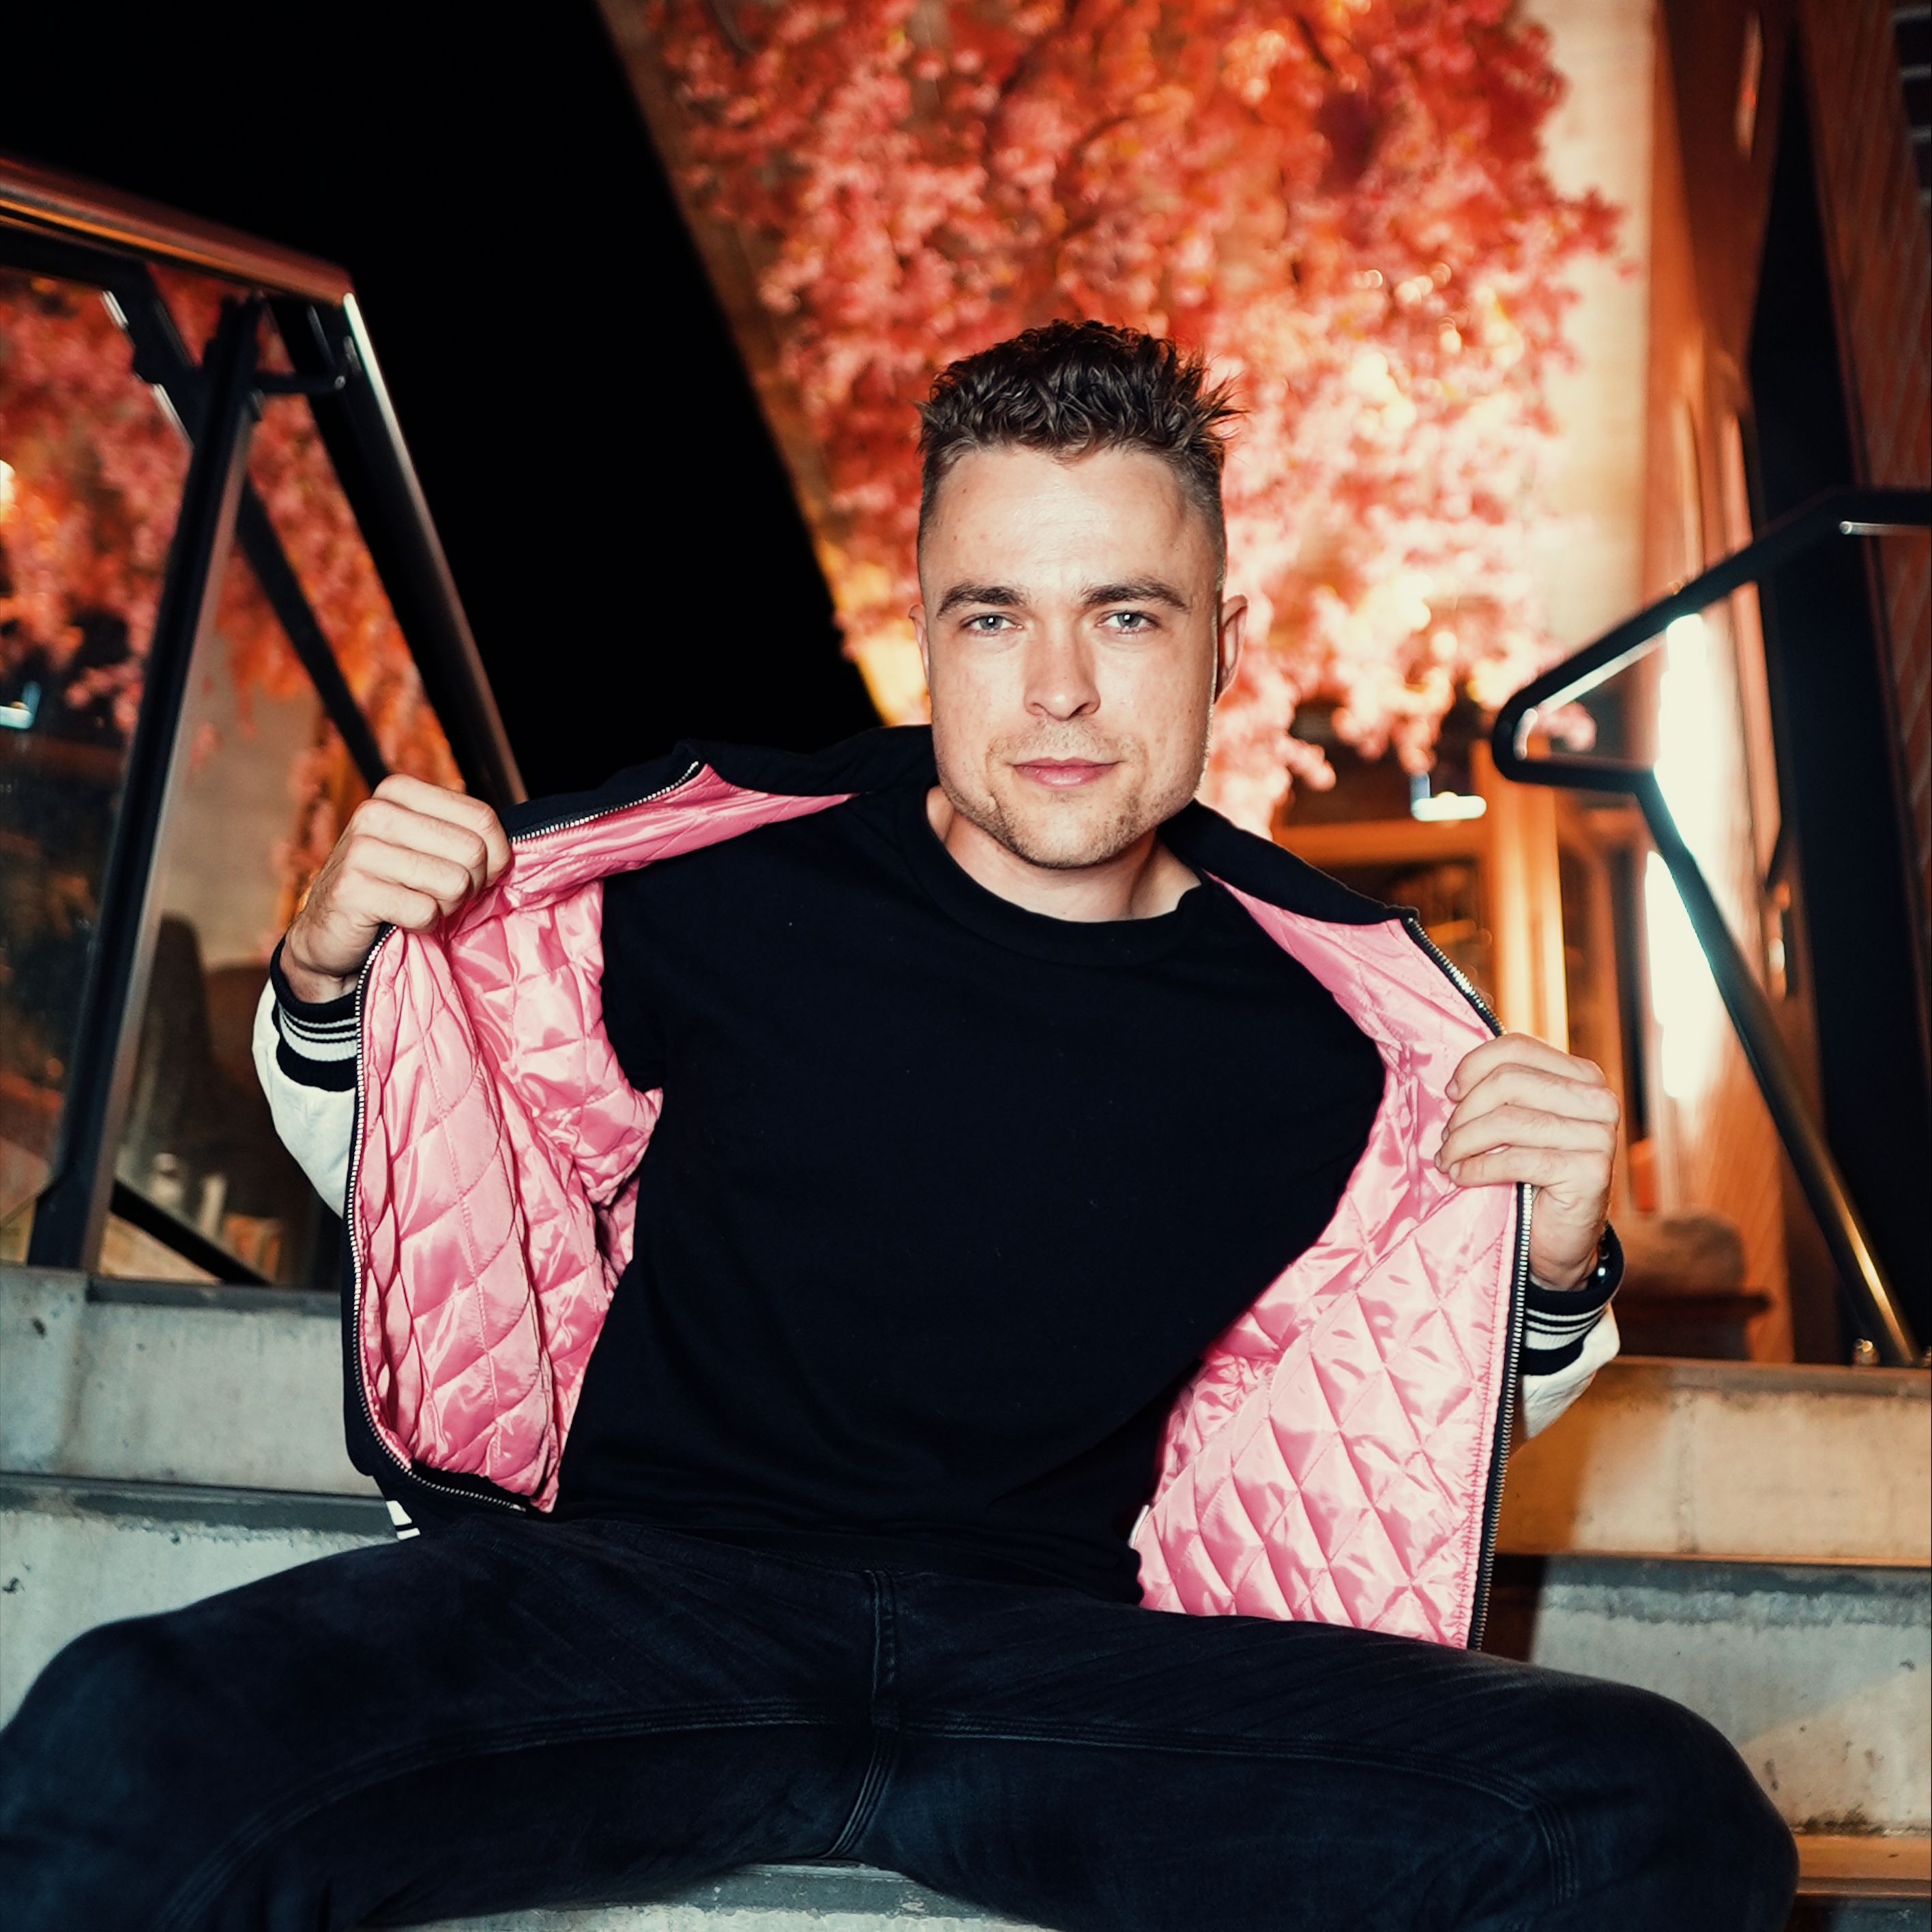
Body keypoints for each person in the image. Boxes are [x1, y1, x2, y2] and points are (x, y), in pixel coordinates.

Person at [0, 322, 1794, 1930]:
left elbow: (1388, 1408)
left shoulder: (1338, 1044)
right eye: (993, 615)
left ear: (1224, 645)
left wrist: (1552, 1264)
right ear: (927, 631)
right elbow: (443, 1167)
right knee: (128, 1734)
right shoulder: (710, 893)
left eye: (1127, 614)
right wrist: (334, 978)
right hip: (636, 1608)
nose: (1059, 686)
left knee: (1649, 1811)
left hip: (1063, 1678)